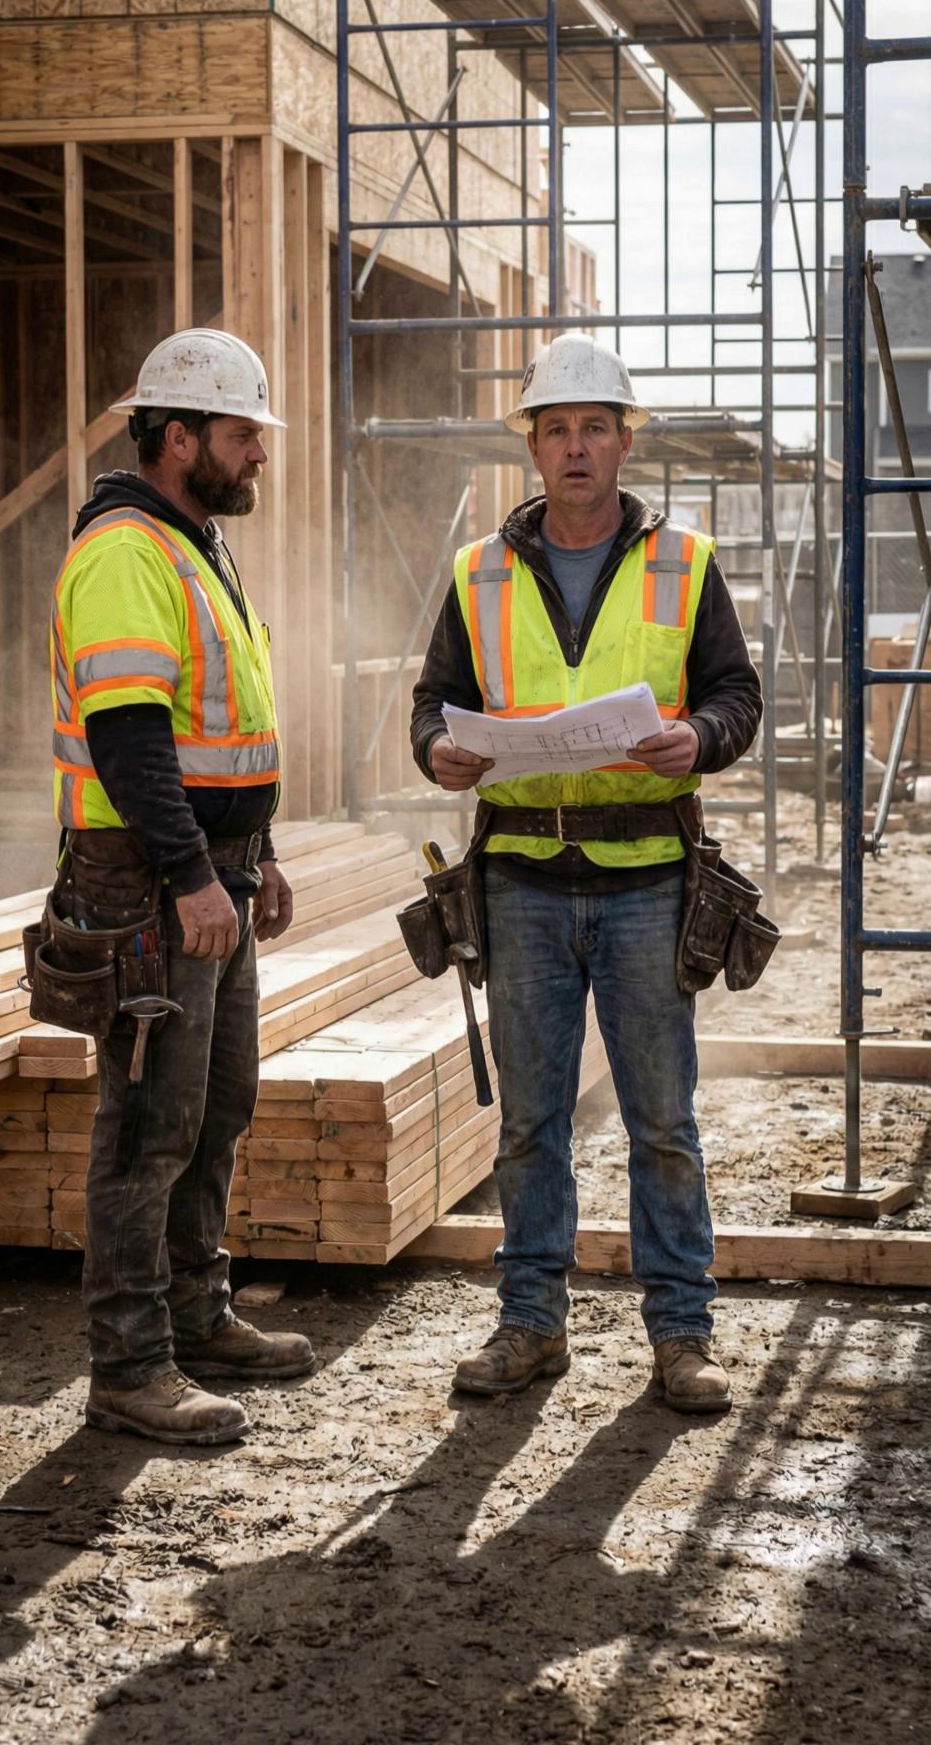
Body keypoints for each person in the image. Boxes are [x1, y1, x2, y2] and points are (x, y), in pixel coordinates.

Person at [410, 333, 763, 1414]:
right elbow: (429, 704)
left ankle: (681, 1333)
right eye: (555, 428)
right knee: (530, 1119)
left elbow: (736, 697)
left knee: (662, 1119)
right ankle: (530, 1322)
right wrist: (437, 751)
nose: (575, 447)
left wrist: (697, 739)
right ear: (532, 444)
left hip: (648, 875)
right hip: (518, 878)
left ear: (622, 440)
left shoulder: (684, 561)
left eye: (593, 427)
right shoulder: (478, 569)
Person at [49, 327, 315, 1447]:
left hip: (209, 876)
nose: (258, 452)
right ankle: (130, 1362)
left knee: (216, 1107)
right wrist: (192, 874)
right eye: (242, 431)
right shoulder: (126, 550)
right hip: (150, 887)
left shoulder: (194, 540)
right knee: (147, 1125)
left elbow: (220, 729)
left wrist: (256, 852)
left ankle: (197, 1314)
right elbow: (129, 738)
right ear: (176, 435)